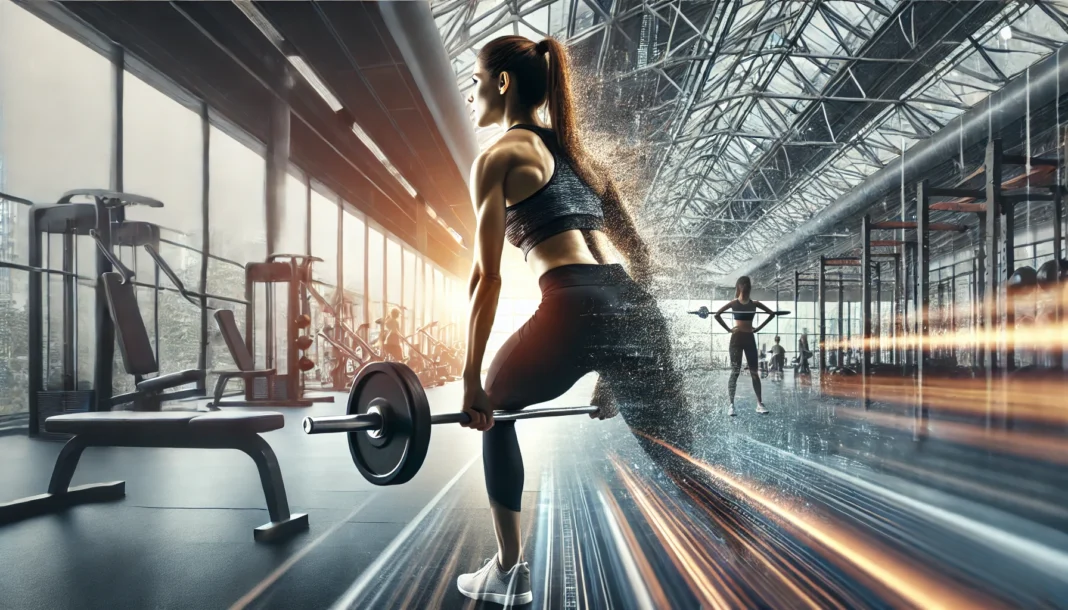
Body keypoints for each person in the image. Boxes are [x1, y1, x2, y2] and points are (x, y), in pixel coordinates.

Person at [455, 35, 693, 605]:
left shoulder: (497, 157)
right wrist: (615, 365)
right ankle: (747, 544)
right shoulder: (582, 159)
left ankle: (508, 573)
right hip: (634, 306)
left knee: (499, 408)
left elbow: (486, 277)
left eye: (476, 81)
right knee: (681, 457)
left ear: (503, 83)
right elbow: (643, 260)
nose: (471, 93)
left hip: (570, 302)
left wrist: (469, 380)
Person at [713, 276, 775, 417]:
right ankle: (731, 405)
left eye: (748, 284)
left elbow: (771, 314)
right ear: (739, 286)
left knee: (754, 373)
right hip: (736, 339)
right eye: (744, 284)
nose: (746, 286)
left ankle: (759, 404)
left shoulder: (755, 304)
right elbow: (717, 315)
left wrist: (758, 328)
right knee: (735, 372)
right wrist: (729, 330)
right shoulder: (734, 303)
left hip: (749, 339)